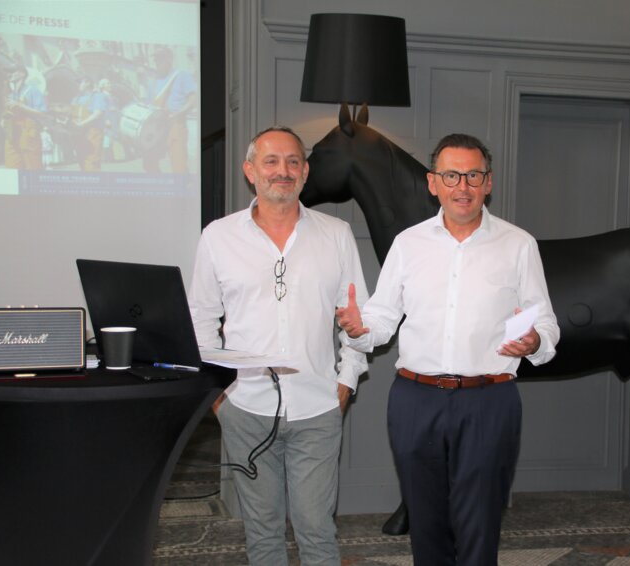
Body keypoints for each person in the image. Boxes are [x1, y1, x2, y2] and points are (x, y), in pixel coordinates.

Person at [336, 133, 560, 565]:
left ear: (488, 182)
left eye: (473, 175)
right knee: (425, 520)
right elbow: (382, 320)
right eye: (452, 175)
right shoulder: (409, 244)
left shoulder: (518, 244)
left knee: (479, 521)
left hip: (489, 399)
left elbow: (543, 320)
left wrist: (535, 341)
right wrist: (360, 328)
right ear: (432, 183)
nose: (463, 186)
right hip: (415, 399)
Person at [188, 126, 369, 565]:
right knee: (263, 533)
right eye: (270, 161)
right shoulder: (218, 236)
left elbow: (359, 317)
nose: (282, 171)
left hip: (318, 408)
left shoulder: (336, 234)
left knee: (317, 531)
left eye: (292, 162)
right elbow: (201, 321)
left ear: (305, 172)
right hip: (245, 408)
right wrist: (219, 394)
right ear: (250, 171)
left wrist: (346, 379)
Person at [141, 46, 197, 173]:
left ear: (169, 59)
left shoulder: (182, 75)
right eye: (156, 60)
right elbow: (149, 105)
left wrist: (179, 113)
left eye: (160, 59)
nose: (157, 63)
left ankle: (181, 189)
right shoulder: (153, 82)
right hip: (156, 126)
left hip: (175, 124)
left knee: (179, 164)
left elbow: (194, 99)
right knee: (149, 163)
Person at [2, 65, 47, 170]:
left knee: (32, 167)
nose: (9, 74)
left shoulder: (33, 90)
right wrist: (3, 119)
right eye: (9, 72)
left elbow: (42, 112)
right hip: (12, 133)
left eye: (13, 71)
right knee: (12, 168)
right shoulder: (12, 94)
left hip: (28, 132)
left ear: (22, 74)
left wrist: (20, 105)